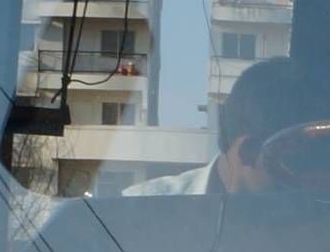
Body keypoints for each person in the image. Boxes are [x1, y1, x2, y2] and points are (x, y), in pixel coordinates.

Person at [121, 56, 308, 195]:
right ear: (248, 152)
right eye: (296, 164)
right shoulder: (139, 212)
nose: (310, 181)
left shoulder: (328, 225)